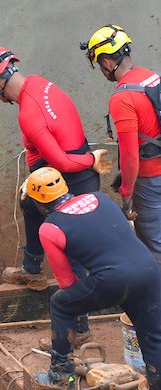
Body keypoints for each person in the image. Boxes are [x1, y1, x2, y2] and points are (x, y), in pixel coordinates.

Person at [22, 168, 161, 390]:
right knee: (153, 340)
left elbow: (67, 283)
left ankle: (61, 376)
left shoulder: (50, 228)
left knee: (60, 304)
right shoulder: (100, 197)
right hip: (149, 270)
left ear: (39, 204)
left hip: (113, 280)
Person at [0, 46, 110, 311]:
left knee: (71, 255)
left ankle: (79, 328)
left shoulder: (29, 114)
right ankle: (32, 268)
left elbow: (61, 162)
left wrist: (91, 161)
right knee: (28, 202)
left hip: (73, 174)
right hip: (72, 168)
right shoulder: (37, 83)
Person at [83, 25, 161, 263]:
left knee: (155, 248)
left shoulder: (122, 97)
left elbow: (129, 156)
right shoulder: (153, 77)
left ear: (106, 62)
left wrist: (126, 195)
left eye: (99, 65)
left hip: (149, 181)